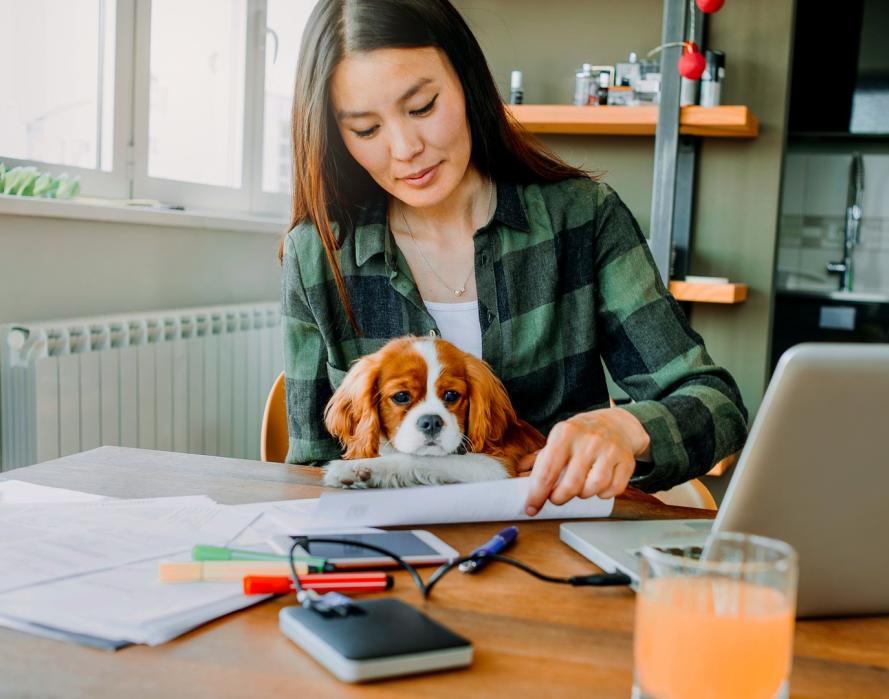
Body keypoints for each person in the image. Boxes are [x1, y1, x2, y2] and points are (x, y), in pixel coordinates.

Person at [280, 0, 747, 514]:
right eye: (366, 130)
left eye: (422, 107)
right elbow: (310, 467)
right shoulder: (317, 253)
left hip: (552, 541)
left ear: (468, 81)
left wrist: (625, 427)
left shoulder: (582, 218)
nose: (405, 147)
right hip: (389, 554)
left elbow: (717, 404)